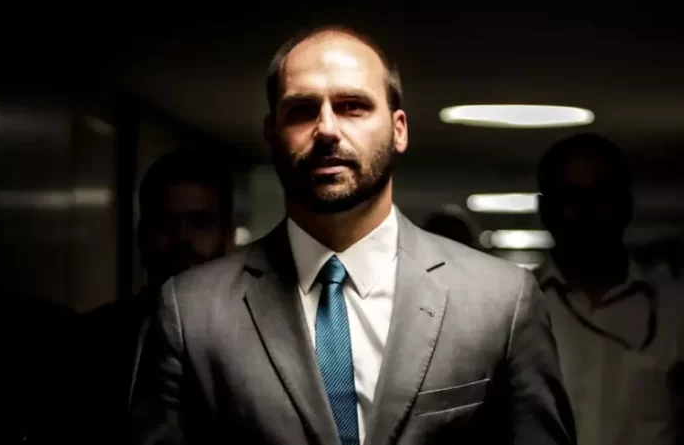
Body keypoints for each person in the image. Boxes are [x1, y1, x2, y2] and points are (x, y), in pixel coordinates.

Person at [131, 25, 575, 445]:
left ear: (398, 129)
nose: (326, 129)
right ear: (271, 133)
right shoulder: (191, 311)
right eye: (302, 110)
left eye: (352, 106)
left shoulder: (501, 301)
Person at [534, 133, 684, 445]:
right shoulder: (512, 308)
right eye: (570, 197)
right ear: (545, 209)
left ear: (626, 205)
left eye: (601, 196)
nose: (586, 212)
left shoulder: (675, 307)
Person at [84, 147, 234, 443]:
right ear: (142, 236)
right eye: (165, 222)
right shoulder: (93, 337)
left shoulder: (254, 342)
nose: (182, 238)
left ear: (227, 237)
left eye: (200, 223)